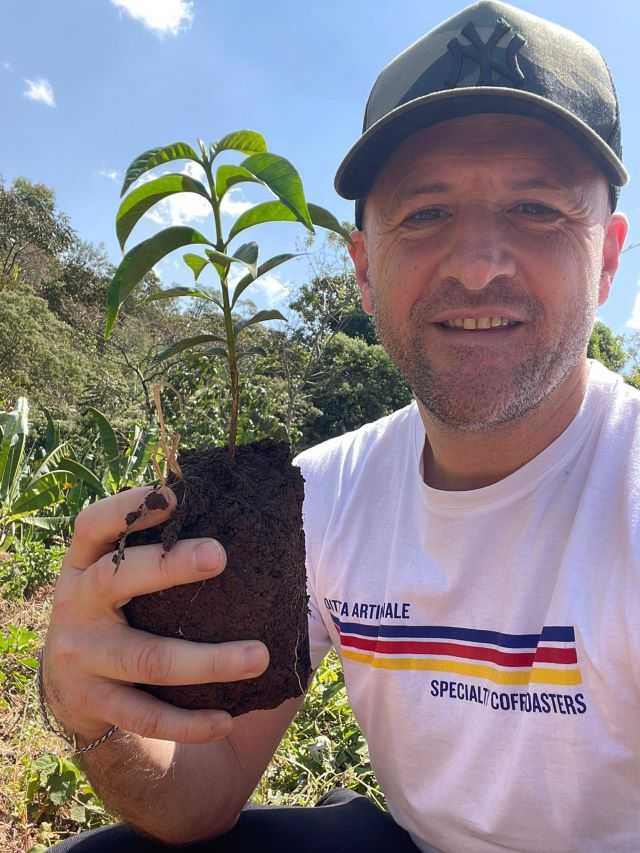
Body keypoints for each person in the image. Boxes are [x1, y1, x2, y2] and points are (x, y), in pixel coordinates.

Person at [41, 1, 638, 851]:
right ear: (362, 269)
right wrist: (89, 706)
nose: (477, 263)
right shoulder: (317, 496)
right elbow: (200, 793)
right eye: (426, 214)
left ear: (609, 255)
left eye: (537, 209)